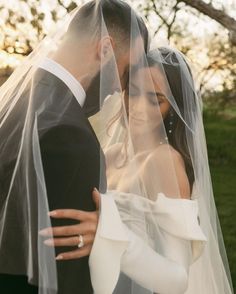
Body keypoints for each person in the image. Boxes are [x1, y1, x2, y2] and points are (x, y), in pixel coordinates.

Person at [44, 47, 234, 294]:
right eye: (132, 93)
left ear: (173, 109)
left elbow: (177, 280)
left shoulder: (164, 162)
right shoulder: (109, 155)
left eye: (156, 99)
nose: (138, 107)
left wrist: (110, 235)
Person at [0, 1, 148, 293]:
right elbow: (67, 271)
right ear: (104, 49)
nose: (122, 87)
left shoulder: (13, 101)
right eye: (126, 70)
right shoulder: (71, 135)